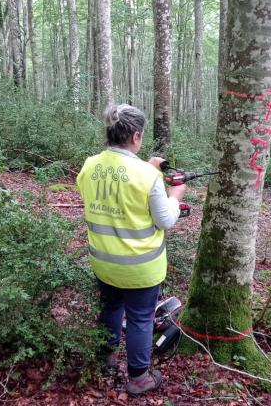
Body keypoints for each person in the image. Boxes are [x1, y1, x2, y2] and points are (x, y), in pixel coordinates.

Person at [76, 104, 185, 396]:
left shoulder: (89, 166)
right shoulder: (147, 176)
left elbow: (115, 191)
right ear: (136, 136)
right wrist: (175, 195)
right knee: (140, 318)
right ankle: (138, 378)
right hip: (140, 267)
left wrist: (144, 168)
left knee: (111, 306)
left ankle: (106, 356)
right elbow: (165, 220)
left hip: (102, 262)